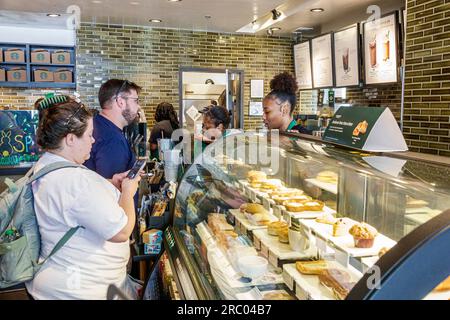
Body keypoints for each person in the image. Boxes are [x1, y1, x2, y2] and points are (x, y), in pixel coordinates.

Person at [26, 95, 141, 300]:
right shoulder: (77, 181)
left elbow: (73, 202)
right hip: (78, 290)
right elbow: (121, 231)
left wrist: (109, 183)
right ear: (70, 138)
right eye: (89, 135)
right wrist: (127, 191)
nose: (93, 140)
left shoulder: (46, 164)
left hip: (57, 282)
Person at [84, 79, 142, 185]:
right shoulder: (113, 139)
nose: (138, 107)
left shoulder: (96, 124)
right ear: (120, 102)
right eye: (135, 101)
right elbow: (113, 193)